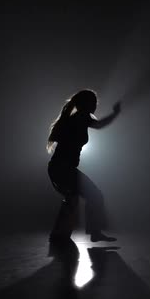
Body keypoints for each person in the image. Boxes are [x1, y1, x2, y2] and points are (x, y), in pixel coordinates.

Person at [47, 89, 121, 242]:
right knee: (93, 196)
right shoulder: (81, 117)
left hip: (61, 168)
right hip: (63, 169)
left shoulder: (76, 118)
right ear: (86, 104)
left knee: (74, 199)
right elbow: (100, 125)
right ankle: (88, 233)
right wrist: (115, 113)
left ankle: (59, 236)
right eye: (93, 102)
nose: (95, 106)